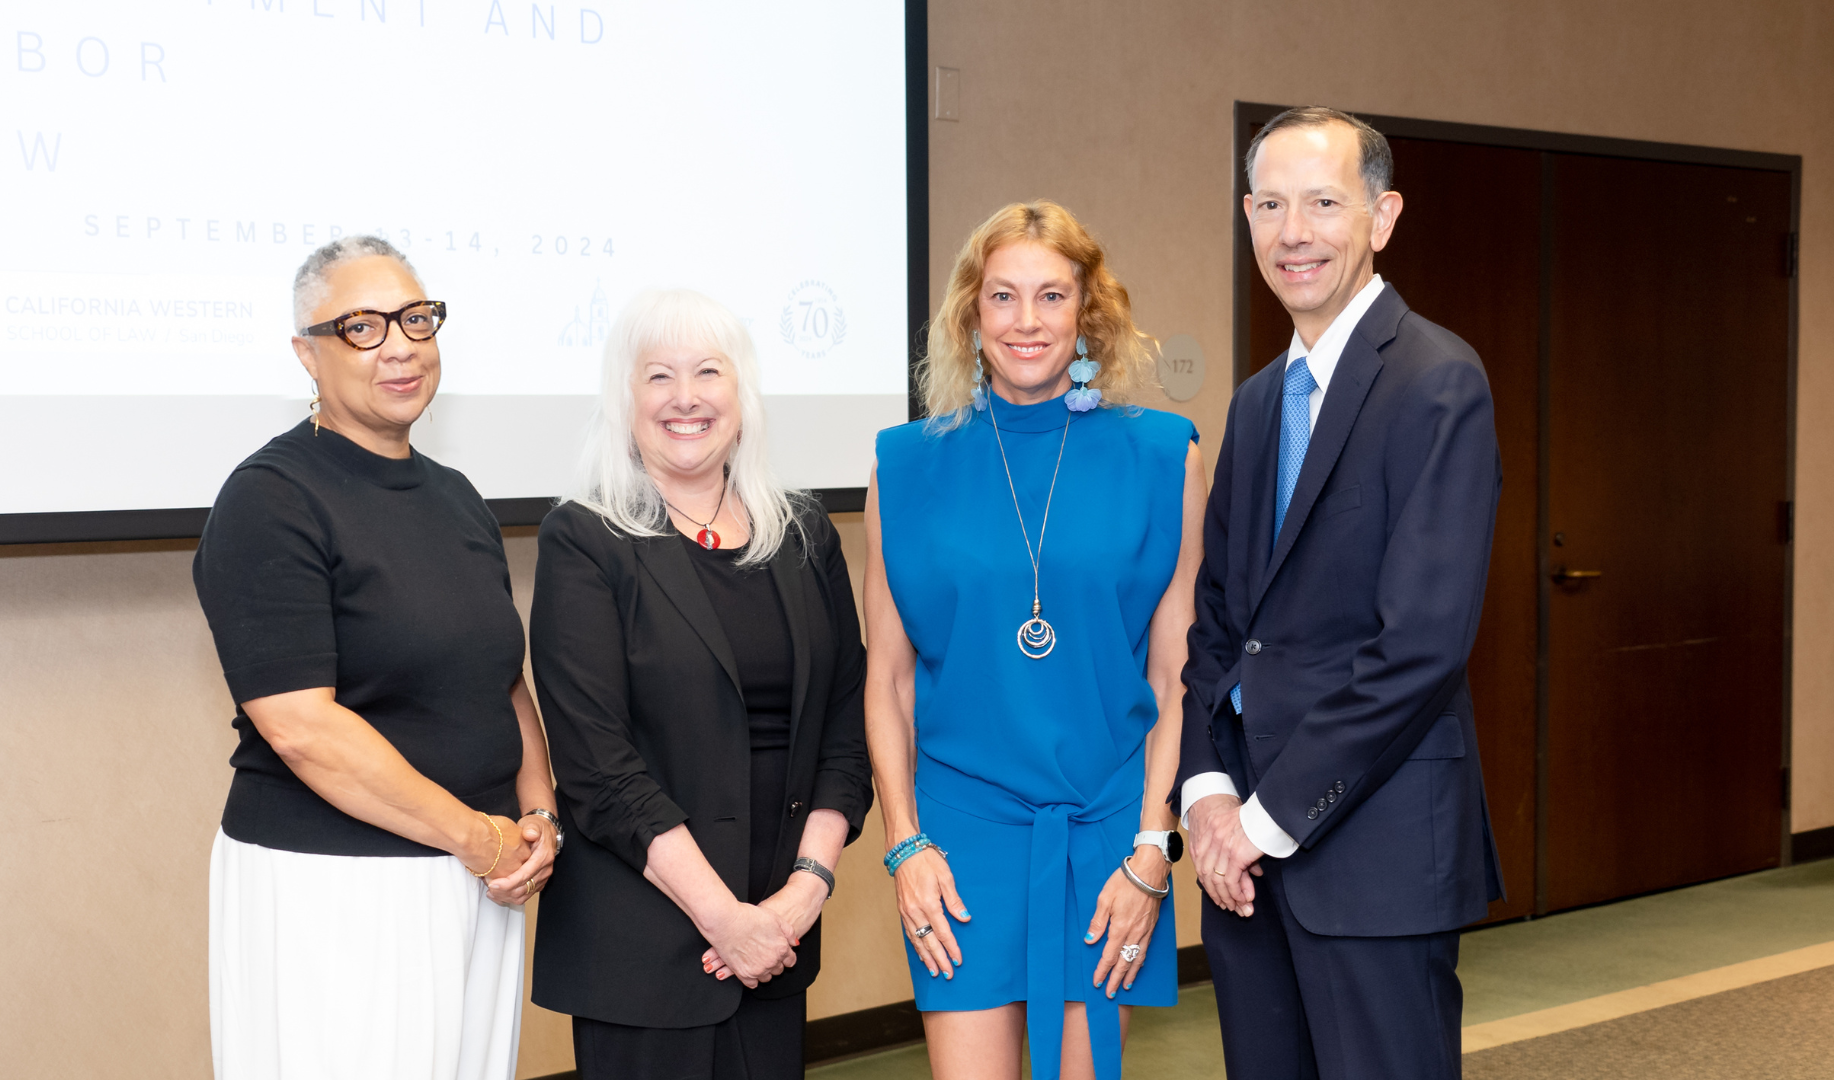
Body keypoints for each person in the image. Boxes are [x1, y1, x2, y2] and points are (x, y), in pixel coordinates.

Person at [1177, 106, 1505, 1080]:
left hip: (1373, 855)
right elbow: (1220, 627)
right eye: (1270, 205)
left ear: (1383, 216)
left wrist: (1263, 822)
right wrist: (1205, 799)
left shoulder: (1439, 381)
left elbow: (1421, 647)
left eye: (1323, 203)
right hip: (1244, 865)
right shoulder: (1255, 400)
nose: (1293, 233)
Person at [194, 235, 558, 1080]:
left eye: (416, 319)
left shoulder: (457, 496)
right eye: (361, 326)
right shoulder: (271, 498)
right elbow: (300, 728)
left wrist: (538, 816)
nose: (400, 344)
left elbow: (498, 675)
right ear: (306, 356)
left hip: (479, 876)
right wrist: (478, 838)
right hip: (336, 885)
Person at [864, 200, 1205, 1080]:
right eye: (1003, 296)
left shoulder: (1165, 455)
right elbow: (889, 682)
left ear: (1087, 312)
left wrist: (1151, 850)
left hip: (1108, 840)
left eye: (1051, 297)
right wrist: (904, 842)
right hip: (958, 842)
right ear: (971, 314)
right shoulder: (904, 466)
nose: (1026, 322)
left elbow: (1176, 676)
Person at [528, 289, 872, 1079]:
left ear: (741, 397)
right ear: (626, 402)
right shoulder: (584, 540)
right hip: (643, 948)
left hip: (779, 938)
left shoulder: (803, 531)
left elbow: (844, 732)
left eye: (708, 373)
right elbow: (598, 768)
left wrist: (801, 897)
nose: (686, 398)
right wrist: (726, 920)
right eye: (658, 377)